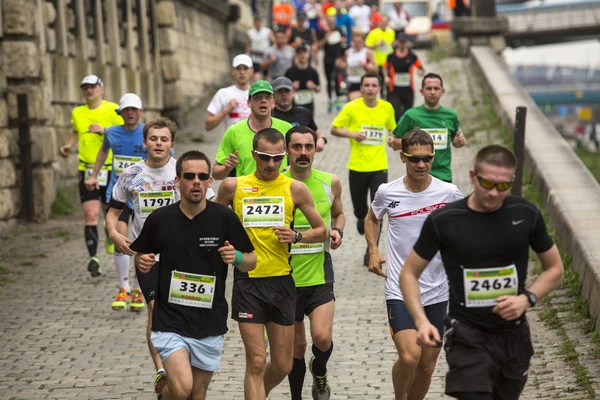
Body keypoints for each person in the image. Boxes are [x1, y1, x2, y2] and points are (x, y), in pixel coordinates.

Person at [399, 144, 564, 400]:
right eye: (487, 184)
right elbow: (409, 273)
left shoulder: (525, 214)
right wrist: (421, 322)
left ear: (512, 181)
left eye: (503, 186)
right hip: (467, 334)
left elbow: (555, 269)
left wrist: (526, 299)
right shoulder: (445, 220)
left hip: (513, 336)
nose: (494, 193)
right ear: (473, 177)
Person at [130, 150, 256, 400]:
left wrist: (237, 258)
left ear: (211, 181)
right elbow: (140, 253)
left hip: (209, 320)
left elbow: (251, 261)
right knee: (182, 388)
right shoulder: (160, 219)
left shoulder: (224, 218)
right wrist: (141, 260)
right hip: (170, 320)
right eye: (189, 176)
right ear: (178, 181)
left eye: (202, 176)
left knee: (197, 394)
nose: (196, 181)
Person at [215, 128, 327, 400]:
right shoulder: (234, 186)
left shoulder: (295, 189)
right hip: (248, 283)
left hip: (282, 283)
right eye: (265, 157)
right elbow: (213, 221)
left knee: (283, 364)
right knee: (255, 361)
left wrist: (297, 236)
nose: (271, 164)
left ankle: (255, 393)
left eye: (277, 158)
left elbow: (321, 230)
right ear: (254, 154)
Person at [365, 129, 463, 400]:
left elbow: (468, 222)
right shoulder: (387, 191)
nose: (421, 165)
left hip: (436, 290)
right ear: (402, 157)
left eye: (427, 159)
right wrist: (373, 249)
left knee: (427, 365)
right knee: (409, 357)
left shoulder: (449, 192)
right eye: (414, 159)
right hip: (399, 288)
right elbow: (372, 218)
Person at [106, 117, 182, 396]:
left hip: (181, 256)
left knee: (181, 311)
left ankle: (182, 364)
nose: (158, 144)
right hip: (147, 256)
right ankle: (161, 371)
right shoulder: (131, 174)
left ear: (172, 144)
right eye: (153, 139)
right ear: (144, 142)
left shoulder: (183, 172)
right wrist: (115, 234)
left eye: (164, 139)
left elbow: (207, 205)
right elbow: (113, 211)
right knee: (155, 310)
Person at [283, 127, 345, 400]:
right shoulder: (276, 183)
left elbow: (339, 213)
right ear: (287, 150)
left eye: (308, 147)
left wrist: (338, 231)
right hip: (285, 278)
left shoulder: (330, 181)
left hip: (320, 272)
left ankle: (319, 372)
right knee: (296, 347)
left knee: (321, 337)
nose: (303, 153)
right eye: (296, 147)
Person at [84, 93, 146, 312]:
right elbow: (103, 153)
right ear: (120, 113)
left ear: (141, 112)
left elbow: (166, 157)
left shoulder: (149, 134)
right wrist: (94, 175)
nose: (129, 113)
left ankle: (139, 289)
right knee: (120, 239)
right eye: (126, 110)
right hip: (117, 194)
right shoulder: (111, 133)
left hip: (141, 197)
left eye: (133, 109)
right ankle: (124, 287)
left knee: (141, 242)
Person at [59, 74, 123, 277]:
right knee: (90, 214)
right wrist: (69, 145)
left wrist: (104, 131)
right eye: (85, 87)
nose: (89, 90)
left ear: (101, 89)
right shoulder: (77, 112)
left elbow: (124, 131)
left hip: (109, 169)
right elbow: (75, 131)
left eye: (93, 87)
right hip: (86, 169)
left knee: (108, 213)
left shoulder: (113, 109)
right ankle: (93, 259)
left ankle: (108, 234)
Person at [331, 71, 396, 266]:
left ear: (379, 88)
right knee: (361, 209)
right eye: (366, 85)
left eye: (373, 85)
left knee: (377, 210)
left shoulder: (387, 107)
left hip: (379, 167)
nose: (370, 89)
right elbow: (334, 128)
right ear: (361, 88)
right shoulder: (351, 108)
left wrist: (393, 139)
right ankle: (361, 220)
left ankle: (371, 251)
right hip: (357, 167)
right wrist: (351, 133)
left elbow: (393, 130)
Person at [390, 73, 466, 183]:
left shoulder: (451, 115)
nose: (433, 92)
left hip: (443, 175)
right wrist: (413, 143)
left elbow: (456, 141)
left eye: (436, 88)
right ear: (422, 91)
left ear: (442, 91)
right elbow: (394, 143)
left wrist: (458, 142)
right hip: (417, 175)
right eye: (429, 88)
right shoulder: (411, 115)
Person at [213, 80, 293, 180]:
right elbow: (215, 174)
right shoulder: (234, 131)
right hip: (247, 192)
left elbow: (301, 162)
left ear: (273, 103)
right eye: (257, 97)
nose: (263, 100)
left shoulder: (287, 129)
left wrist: (294, 169)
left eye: (267, 97)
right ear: (249, 103)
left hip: (279, 192)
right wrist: (226, 168)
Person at [271, 76, 327, 152]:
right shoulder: (269, 115)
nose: (284, 94)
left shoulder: (304, 112)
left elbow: (318, 134)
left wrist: (322, 140)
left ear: (293, 93)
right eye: (280, 91)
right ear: (273, 95)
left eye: (287, 91)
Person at [205, 54, 254, 133]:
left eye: (245, 68)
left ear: (251, 71)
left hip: (253, 144)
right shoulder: (223, 93)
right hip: (232, 143)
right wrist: (226, 110)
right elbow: (208, 125)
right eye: (238, 68)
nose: (242, 72)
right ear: (233, 71)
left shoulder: (258, 94)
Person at [384, 34, 425, 122]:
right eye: (400, 42)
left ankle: (405, 133)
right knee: (396, 112)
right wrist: (385, 76)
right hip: (394, 89)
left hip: (408, 89)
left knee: (408, 113)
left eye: (404, 42)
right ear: (397, 43)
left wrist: (420, 72)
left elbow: (421, 68)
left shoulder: (412, 56)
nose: (402, 44)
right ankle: (395, 132)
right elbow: (384, 66)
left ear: (407, 43)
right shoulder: (391, 56)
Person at [321, 10, 347, 113]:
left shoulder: (339, 29)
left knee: (337, 79)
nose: (331, 21)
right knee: (328, 80)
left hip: (337, 59)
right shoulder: (324, 31)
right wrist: (325, 39)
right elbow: (320, 45)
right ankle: (330, 99)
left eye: (333, 19)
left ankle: (337, 99)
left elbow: (344, 43)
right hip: (327, 59)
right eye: (329, 19)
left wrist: (343, 58)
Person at [285, 45, 321, 117]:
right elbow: (284, 90)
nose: (302, 55)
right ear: (296, 56)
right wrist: (291, 87)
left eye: (304, 53)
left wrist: (313, 86)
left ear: (308, 54)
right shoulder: (290, 72)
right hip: (294, 106)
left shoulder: (313, 71)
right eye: (299, 53)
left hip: (309, 106)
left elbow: (319, 89)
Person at [365, 16, 395, 99]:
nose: (384, 23)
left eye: (386, 22)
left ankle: (390, 98)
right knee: (380, 82)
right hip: (379, 62)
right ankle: (381, 97)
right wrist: (377, 45)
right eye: (382, 21)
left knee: (390, 82)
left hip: (389, 62)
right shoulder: (373, 33)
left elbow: (392, 44)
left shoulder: (391, 32)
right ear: (379, 23)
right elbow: (367, 46)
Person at [345, 32, 376, 101]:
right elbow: (346, 65)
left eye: (359, 41)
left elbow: (376, 68)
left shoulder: (367, 52)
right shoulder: (348, 52)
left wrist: (366, 65)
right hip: (351, 81)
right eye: (355, 41)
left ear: (363, 41)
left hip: (363, 81)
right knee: (352, 103)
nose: (357, 43)